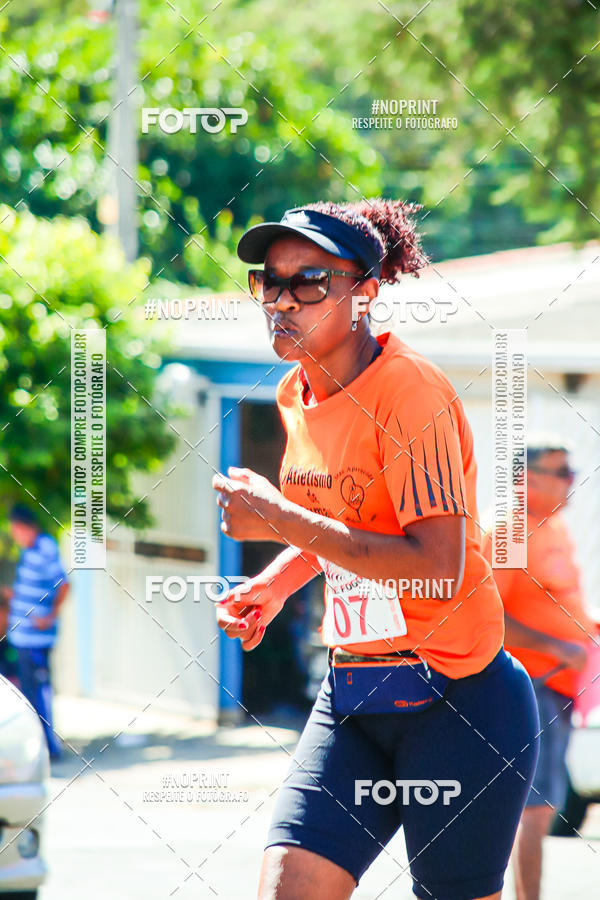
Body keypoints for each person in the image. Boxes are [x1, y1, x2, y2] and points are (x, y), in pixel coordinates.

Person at [213, 200, 540, 900]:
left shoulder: (409, 392)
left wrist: (276, 517)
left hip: (461, 704)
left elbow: (434, 563)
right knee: (288, 889)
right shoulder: (293, 394)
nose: (282, 301)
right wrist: (275, 583)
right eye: (269, 281)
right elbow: (341, 519)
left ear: (363, 294)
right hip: (357, 693)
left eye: (309, 283)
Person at [483, 437, 597, 900]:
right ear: (523, 480)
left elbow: (558, 601)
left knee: (540, 807)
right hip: (529, 685)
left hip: (559, 687)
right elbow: (486, 618)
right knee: (531, 810)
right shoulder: (507, 530)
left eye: (572, 472)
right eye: (561, 472)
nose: (572, 482)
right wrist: (558, 646)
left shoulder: (552, 526)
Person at [1, 503, 69, 759]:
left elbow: (64, 584)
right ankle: (38, 746)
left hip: (36, 639)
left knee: (38, 693)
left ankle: (49, 748)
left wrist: (50, 616)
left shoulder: (44, 548)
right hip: (22, 637)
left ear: (23, 527)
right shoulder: (29, 552)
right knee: (28, 693)